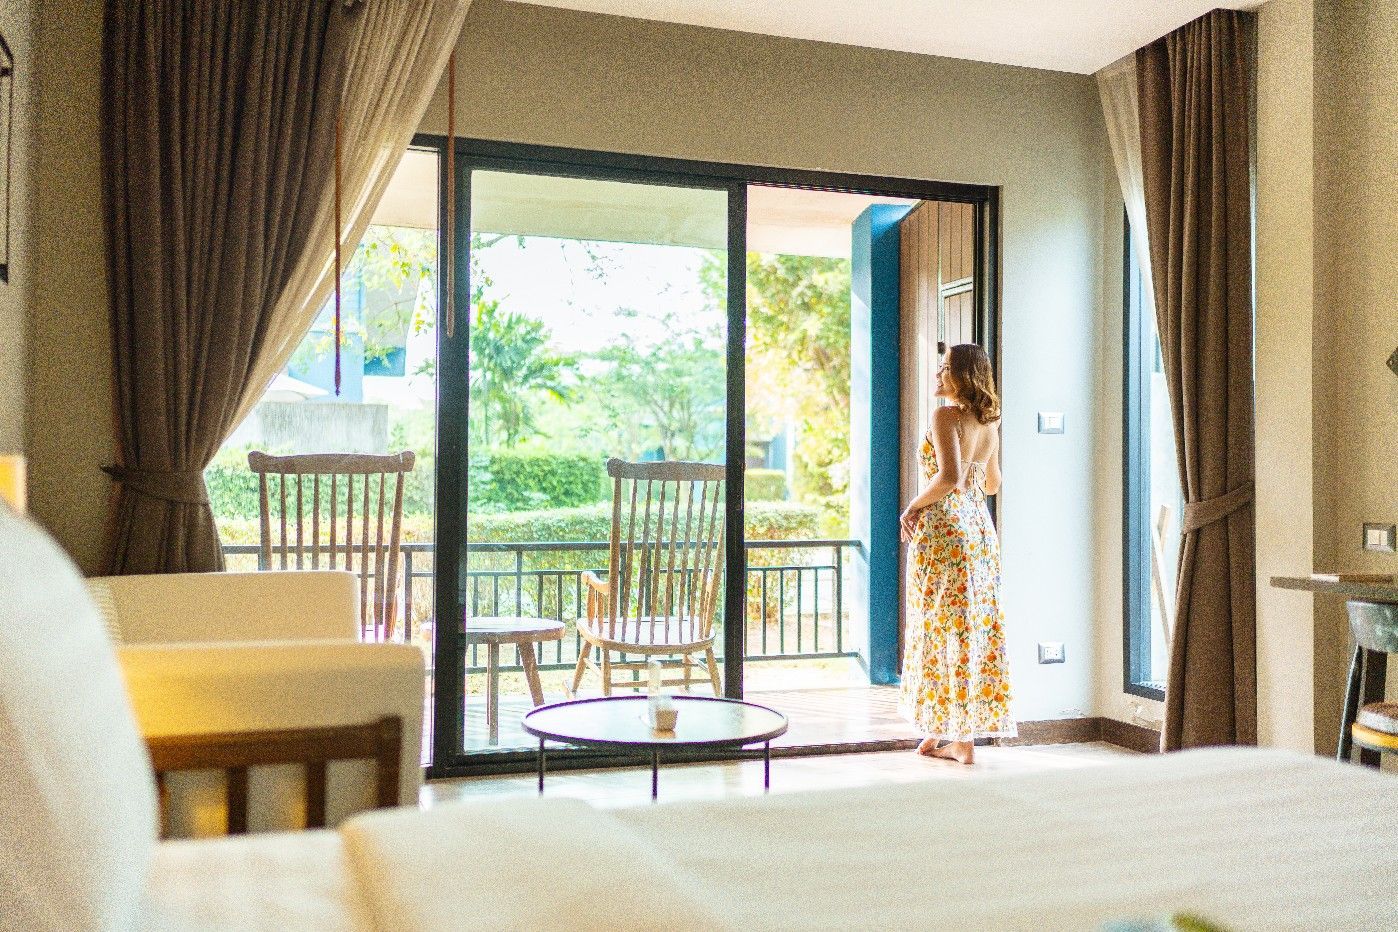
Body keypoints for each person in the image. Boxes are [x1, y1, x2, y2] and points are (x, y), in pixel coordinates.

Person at [898, 343, 1014, 764]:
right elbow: (992, 484)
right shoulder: (990, 422)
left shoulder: (945, 416)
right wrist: (972, 466)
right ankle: (948, 733)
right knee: (969, 628)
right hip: (979, 531)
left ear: (963, 377)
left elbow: (948, 478)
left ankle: (958, 739)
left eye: (945, 369)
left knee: (937, 624)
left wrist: (913, 506)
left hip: (945, 532)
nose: (937, 375)